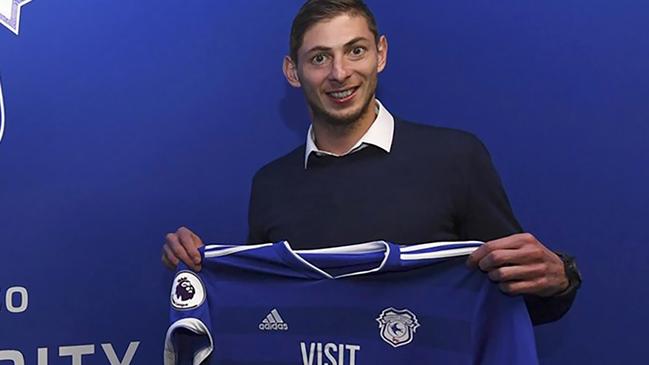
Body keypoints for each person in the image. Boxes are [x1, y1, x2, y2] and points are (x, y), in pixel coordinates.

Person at [162, 0, 580, 325]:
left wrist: (558, 281)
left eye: (355, 51)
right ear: (293, 72)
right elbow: (264, 312)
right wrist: (201, 269)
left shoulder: (456, 157)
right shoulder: (270, 183)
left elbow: (523, 302)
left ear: (380, 54)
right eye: (319, 58)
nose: (340, 73)